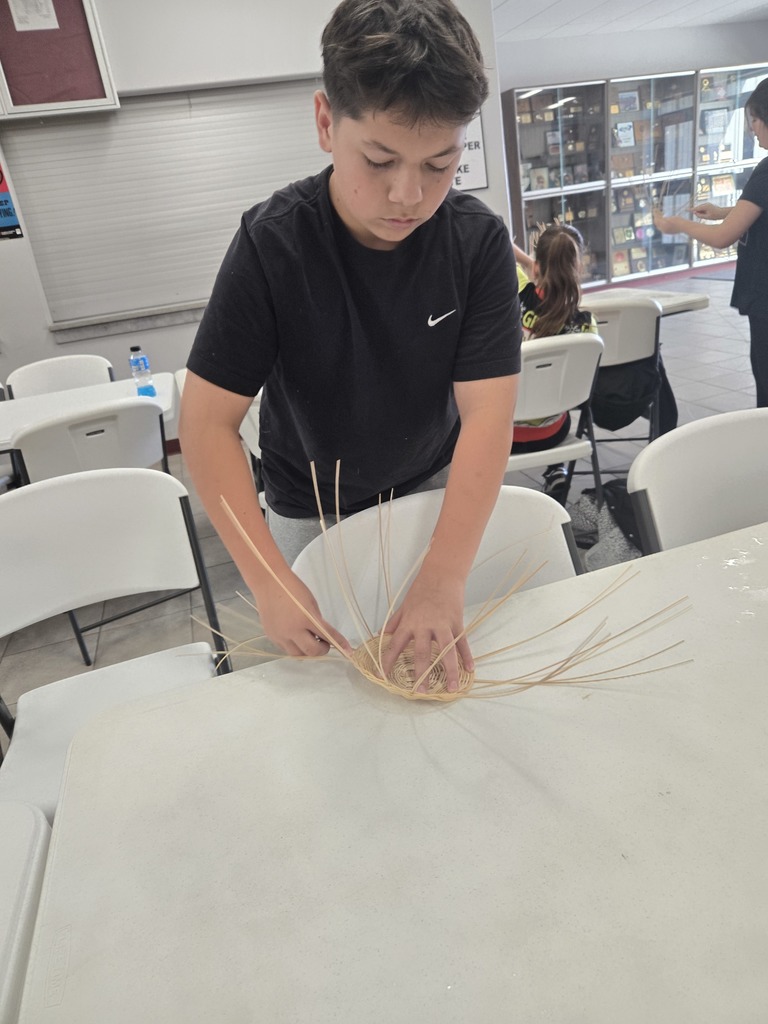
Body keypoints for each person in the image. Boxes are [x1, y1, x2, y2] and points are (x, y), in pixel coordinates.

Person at [179, 0, 521, 692]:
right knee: (330, 695)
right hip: (309, 505)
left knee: (439, 673)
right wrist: (268, 579)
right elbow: (207, 424)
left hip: (431, 486)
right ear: (326, 123)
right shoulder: (272, 244)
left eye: (440, 163)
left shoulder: (476, 242)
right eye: (380, 159)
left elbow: (487, 416)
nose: (408, 195)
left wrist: (443, 575)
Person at [654, 76, 768, 408]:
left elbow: (722, 238)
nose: (753, 131)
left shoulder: (765, 171)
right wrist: (723, 211)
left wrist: (678, 224)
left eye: (755, 122)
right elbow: (757, 211)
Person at [511, 225, 597, 502]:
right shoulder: (586, 325)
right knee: (553, 393)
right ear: (579, 268)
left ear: (535, 269)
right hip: (552, 432)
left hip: (505, 436)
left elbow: (499, 243)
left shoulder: (516, 297)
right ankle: (555, 470)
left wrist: (528, 263)